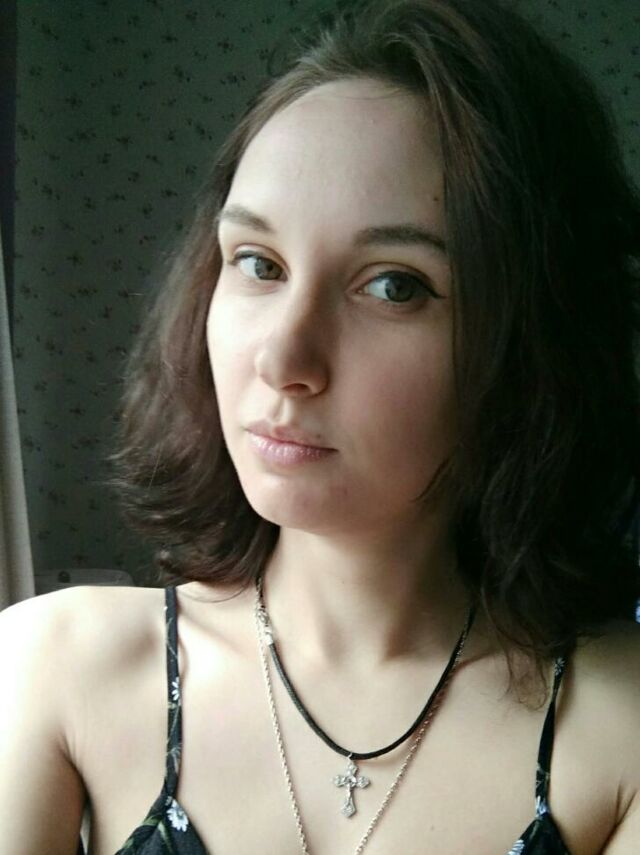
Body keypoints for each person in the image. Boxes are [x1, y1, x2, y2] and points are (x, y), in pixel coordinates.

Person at [1, 0, 639, 852]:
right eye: (257, 263)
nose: (283, 356)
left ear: (535, 341)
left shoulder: (618, 729)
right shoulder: (53, 669)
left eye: (394, 285)